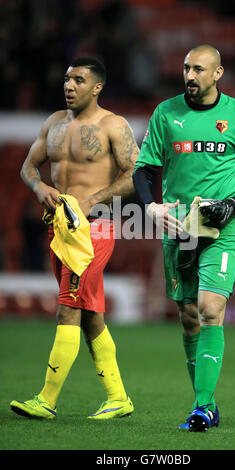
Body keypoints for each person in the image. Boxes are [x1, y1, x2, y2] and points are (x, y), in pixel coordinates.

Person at [133, 45, 235, 432]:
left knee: (211, 309)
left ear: (218, 73)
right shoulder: (166, 112)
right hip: (179, 227)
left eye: (199, 69)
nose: (190, 76)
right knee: (189, 317)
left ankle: (202, 409)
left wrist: (232, 203)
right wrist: (151, 207)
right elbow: (144, 170)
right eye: (186, 68)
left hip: (223, 228)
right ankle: (205, 404)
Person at [10, 57, 139, 420]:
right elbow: (27, 167)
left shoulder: (113, 125)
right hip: (59, 228)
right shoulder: (53, 123)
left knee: (68, 307)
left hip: (94, 228)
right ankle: (118, 398)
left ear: (97, 87)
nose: (69, 85)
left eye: (79, 80)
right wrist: (39, 188)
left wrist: (94, 198)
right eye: (67, 79)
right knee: (89, 313)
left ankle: (46, 400)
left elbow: (136, 173)